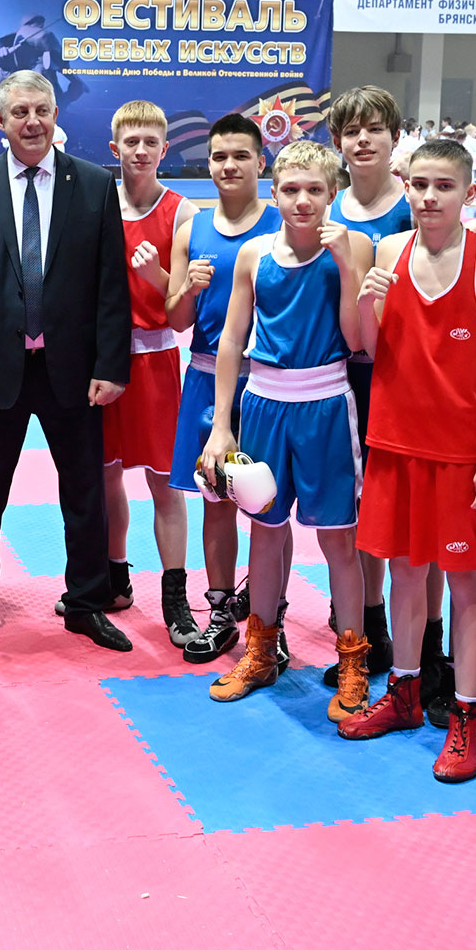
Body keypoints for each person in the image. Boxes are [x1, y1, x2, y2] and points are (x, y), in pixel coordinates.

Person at [339, 139, 476, 785]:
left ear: (469, 193)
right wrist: (366, 301)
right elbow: (369, 348)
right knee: (405, 574)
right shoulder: (389, 251)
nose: (428, 197)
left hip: (461, 452)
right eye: (419, 184)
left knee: (467, 585)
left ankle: (466, 714)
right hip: (394, 443)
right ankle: (406, 691)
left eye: (443, 186)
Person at [0, 70, 131, 652]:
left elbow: (111, 285)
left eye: (41, 110)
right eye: (19, 112)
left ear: (55, 115)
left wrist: (111, 365)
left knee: (84, 494)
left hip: (74, 366)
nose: (32, 122)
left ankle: (87, 602)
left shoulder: (93, 184)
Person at [201, 141, 373, 715]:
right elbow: (231, 339)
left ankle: (353, 662)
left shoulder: (353, 245)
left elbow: (358, 341)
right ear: (274, 194)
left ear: (332, 194)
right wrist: (221, 425)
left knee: (338, 540)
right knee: (265, 531)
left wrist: (347, 264)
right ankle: (261, 651)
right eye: (292, 189)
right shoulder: (254, 253)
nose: (303, 201)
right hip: (264, 403)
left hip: (326, 403)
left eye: (315, 190)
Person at [167, 114, 284, 663]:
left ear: (261, 161)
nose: (229, 165)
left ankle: (269, 617)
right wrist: (189, 289)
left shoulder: (284, 222)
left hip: (265, 381)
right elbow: (176, 318)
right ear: (208, 163)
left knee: (268, 508)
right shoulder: (191, 230)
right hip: (205, 374)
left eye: (240, 155)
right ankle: (219, 611)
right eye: (219, 156)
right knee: (215, 500)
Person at [104, 101, 197, 648]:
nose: (140, 151)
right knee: (104, 475)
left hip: (157, 360)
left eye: (150, 142)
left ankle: (175, 597)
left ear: (165, 148)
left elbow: (179, 305)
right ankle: (114, 577)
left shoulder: (182, 212)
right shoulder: (97, 203)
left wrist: (156, 273)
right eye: (131, 141)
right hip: (103, 362)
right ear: (114, 148)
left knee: (165, 482)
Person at [331, 86, 416, 687]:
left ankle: (408, 627)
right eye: (352, 131)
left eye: (374, 129)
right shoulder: (324, 203)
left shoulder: (415, 206)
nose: (363, 140)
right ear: (338, 142)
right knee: (350, 502)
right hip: (335, 372)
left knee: (391, 501)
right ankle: (365, 614)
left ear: (394, 137)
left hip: (398, 373)